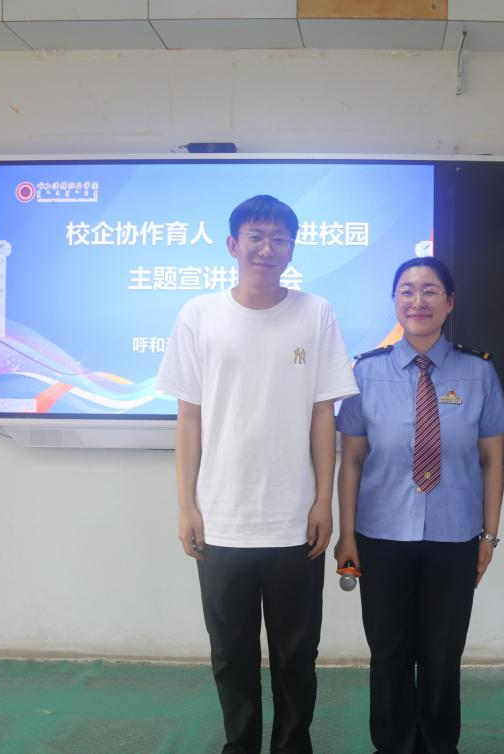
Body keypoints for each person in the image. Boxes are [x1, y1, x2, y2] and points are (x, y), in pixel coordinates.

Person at [156, 194, 359, 754]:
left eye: (279, 238)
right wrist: (186, 506)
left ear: (292, 248)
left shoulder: (316, 313)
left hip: (295, 520)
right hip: (222, 519)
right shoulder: (198, 315)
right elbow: (189, 419)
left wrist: (323, 502)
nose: (267, 248)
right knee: (231, 655)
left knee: (297, 656)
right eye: (255, 236)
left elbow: (323, 414)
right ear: (232, 245)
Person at [334, 256, 504, 754]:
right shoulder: (366, 372)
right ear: (395, 301)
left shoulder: (479, 372)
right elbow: (351, 462)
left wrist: (489, 535)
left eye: (430, 291)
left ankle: (438, 745)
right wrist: (346, 535)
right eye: (407, 291)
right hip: (381, 537)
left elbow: (493, 462)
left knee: (441, 655)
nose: (418, 301)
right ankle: (392, 745)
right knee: (389, 654)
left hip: (455, 538)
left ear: (449, 302)